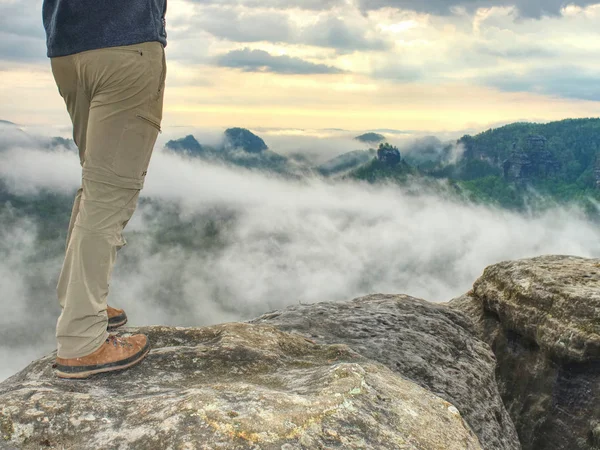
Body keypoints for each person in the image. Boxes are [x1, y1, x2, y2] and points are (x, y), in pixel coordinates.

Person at [42, 0, 168, 379]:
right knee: (110, 194)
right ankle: (82, 340)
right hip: (125, 44)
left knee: (95, 183)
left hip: (67, 47)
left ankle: (82, 304)